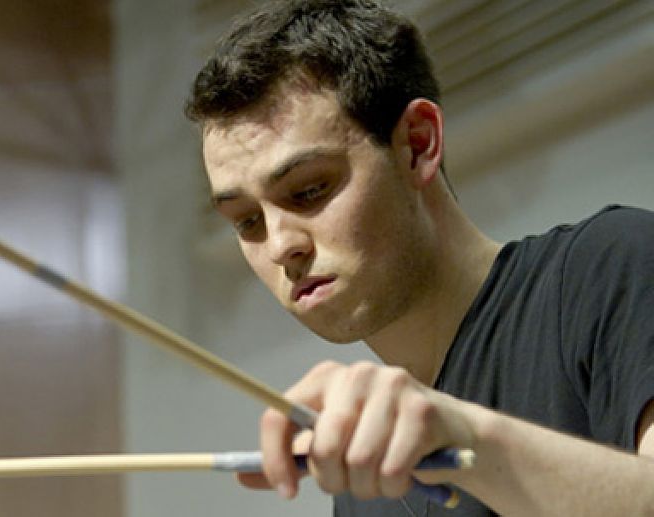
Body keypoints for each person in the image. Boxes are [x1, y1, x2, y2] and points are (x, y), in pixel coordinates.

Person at [184, 1, 654, 515]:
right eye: (247, 221)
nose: (279, 246)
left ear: (417, 143)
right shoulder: (365, 482)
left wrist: (468, 440)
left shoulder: (607, 270)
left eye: (309, 189)